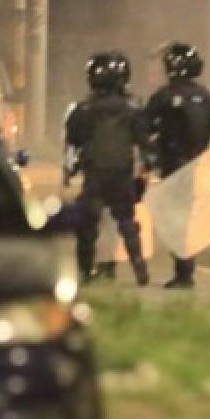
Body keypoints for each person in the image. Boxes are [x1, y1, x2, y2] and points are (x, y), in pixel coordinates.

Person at [64, 51, 151, 286]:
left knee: (88, 224)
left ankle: (84, 271)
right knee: (127, 221)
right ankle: (139, 265)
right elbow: (144, 143)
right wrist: (146, 171)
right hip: (122, 172)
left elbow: (73, 142)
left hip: (95, 173)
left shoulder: (83, 110)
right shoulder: (133, 108)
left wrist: (69, 173)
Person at [145, 41, 210, 289]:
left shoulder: (164, 96)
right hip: (196, 165)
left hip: (173, 165)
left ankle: (183, 273)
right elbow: (209, 129)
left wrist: (152, 154)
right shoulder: (205, 96)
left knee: (174, 219)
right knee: (187, 217)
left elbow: (144, 128)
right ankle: (186, 270)